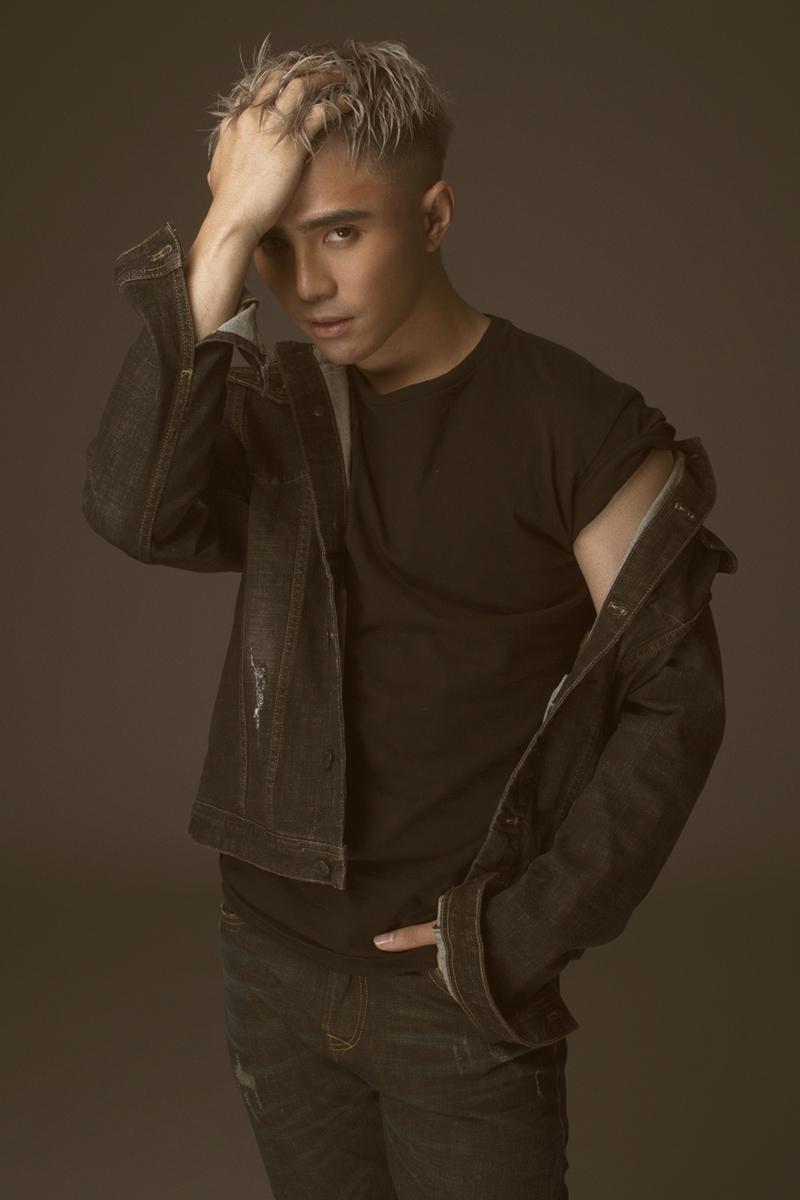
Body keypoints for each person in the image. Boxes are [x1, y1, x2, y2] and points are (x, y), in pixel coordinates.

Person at [81, 34, 736, 1199]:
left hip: (452, 997)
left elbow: (672, 703)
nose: (305, 285)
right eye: (274, 244)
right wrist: (220, 232)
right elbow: (134, 512)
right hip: (268, 966)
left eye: (341, 232)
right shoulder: (274, 409)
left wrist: (515, 936)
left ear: (432, 216)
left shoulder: (577, 426)